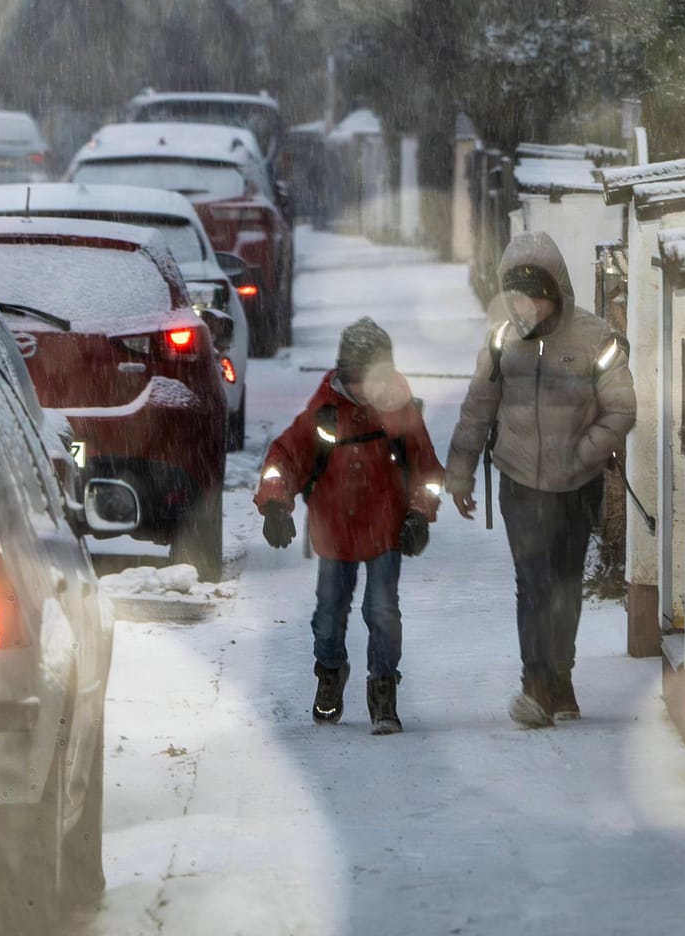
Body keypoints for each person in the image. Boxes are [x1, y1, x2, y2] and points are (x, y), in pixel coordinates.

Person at [445, 233, 636, 728]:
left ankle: (560, 677)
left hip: (576, 485)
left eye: (535, 293)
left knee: (565, 583)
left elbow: (620, 409)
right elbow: (476, 411)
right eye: (516, 294)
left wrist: (583, 454)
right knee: (531, 583)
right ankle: (535, 683)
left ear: (557, 289)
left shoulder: (596, 340)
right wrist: (460, 474)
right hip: (519, 482)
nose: (526, 304)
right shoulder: (501, 341)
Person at [257, 318, 444, 734]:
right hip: (334, 531)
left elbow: (427, 469)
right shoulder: (324, 411)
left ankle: (383, 690)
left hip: (385, 529)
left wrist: (419, 512)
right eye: (356, 380)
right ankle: (330, 672)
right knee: (328, 615)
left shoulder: (400, 411)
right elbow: (284, 457)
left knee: (382, 612)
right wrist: (275, 505)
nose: (364, 391)